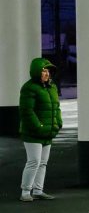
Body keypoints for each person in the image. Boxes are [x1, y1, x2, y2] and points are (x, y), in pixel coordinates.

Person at [19, 58, 62, 202]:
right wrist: (39, 127)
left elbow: (56, 108)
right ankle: (25, 191)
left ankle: (38, 190)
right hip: (32, 133)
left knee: (43, 162)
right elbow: (27, 111)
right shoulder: (29, 88)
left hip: (47, 132)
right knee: (34, 161)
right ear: (37, 72)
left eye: (48, 71)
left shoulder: (52, 88)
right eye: (43, 71)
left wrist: (58, 123)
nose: (46, 74)